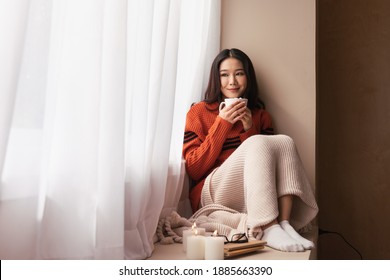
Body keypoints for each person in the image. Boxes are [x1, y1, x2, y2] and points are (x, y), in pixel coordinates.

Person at [182, 48, 319, 252]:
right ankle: (267, 227)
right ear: (216, 79)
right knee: (258, 142)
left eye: (239, 73)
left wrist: (249, 129)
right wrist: (222, 123)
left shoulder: (260, 115)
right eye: (224, 75)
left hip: (249, 194)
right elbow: (193, 168)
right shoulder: (199, 112)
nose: (232, 82)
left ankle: (283, 223)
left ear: (248, 77)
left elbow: (272, 169)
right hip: (211, 191)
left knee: (285, 141)